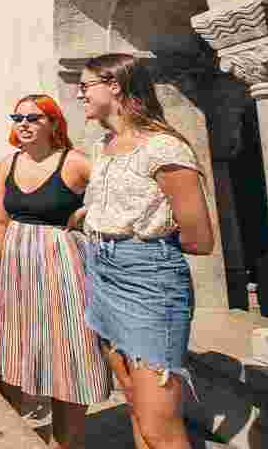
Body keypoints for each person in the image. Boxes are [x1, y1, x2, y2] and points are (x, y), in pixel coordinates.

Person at [78, 53, 214, 449]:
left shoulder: (164, 148)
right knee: (136, 405)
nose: (80, 94)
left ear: (115, 85)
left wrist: (143, 245)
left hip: (148, 281)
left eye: (86, 86)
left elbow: (200, 238)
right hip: (102, 274)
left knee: (159, 425)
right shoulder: (104, 145)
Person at [0, 94, 111, 449]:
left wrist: (83, 214)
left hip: (62, 269)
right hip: (15, 269)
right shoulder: (7, 165)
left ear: (53, 123)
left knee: (65, 358)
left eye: (34, 118)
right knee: (7, 358)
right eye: (18, 118)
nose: (23, 124)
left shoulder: (75, 163)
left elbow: (117, 194)